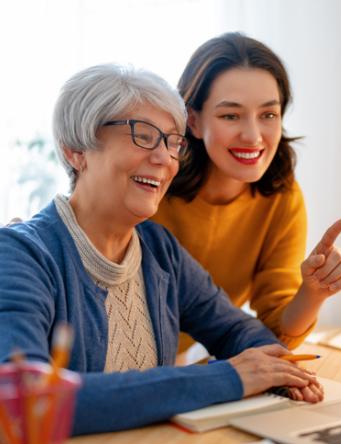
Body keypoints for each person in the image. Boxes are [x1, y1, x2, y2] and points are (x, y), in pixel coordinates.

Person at [0, 64, 323, 436]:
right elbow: (27, 400)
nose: (165, 159)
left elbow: (236, 329)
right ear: (76, 150)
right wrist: (227, 378)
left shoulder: (159, 251)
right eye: (143, 136)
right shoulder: (21, 254)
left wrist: (282, 369)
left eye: (172, 142)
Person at [151, 33, 341, 353]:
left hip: (179, 364)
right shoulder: (153, 186)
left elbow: (278, 331)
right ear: (192, 120)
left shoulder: (280, 196)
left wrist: (313, 293)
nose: (253, 135)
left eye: (268, 114)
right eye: (230, 115)